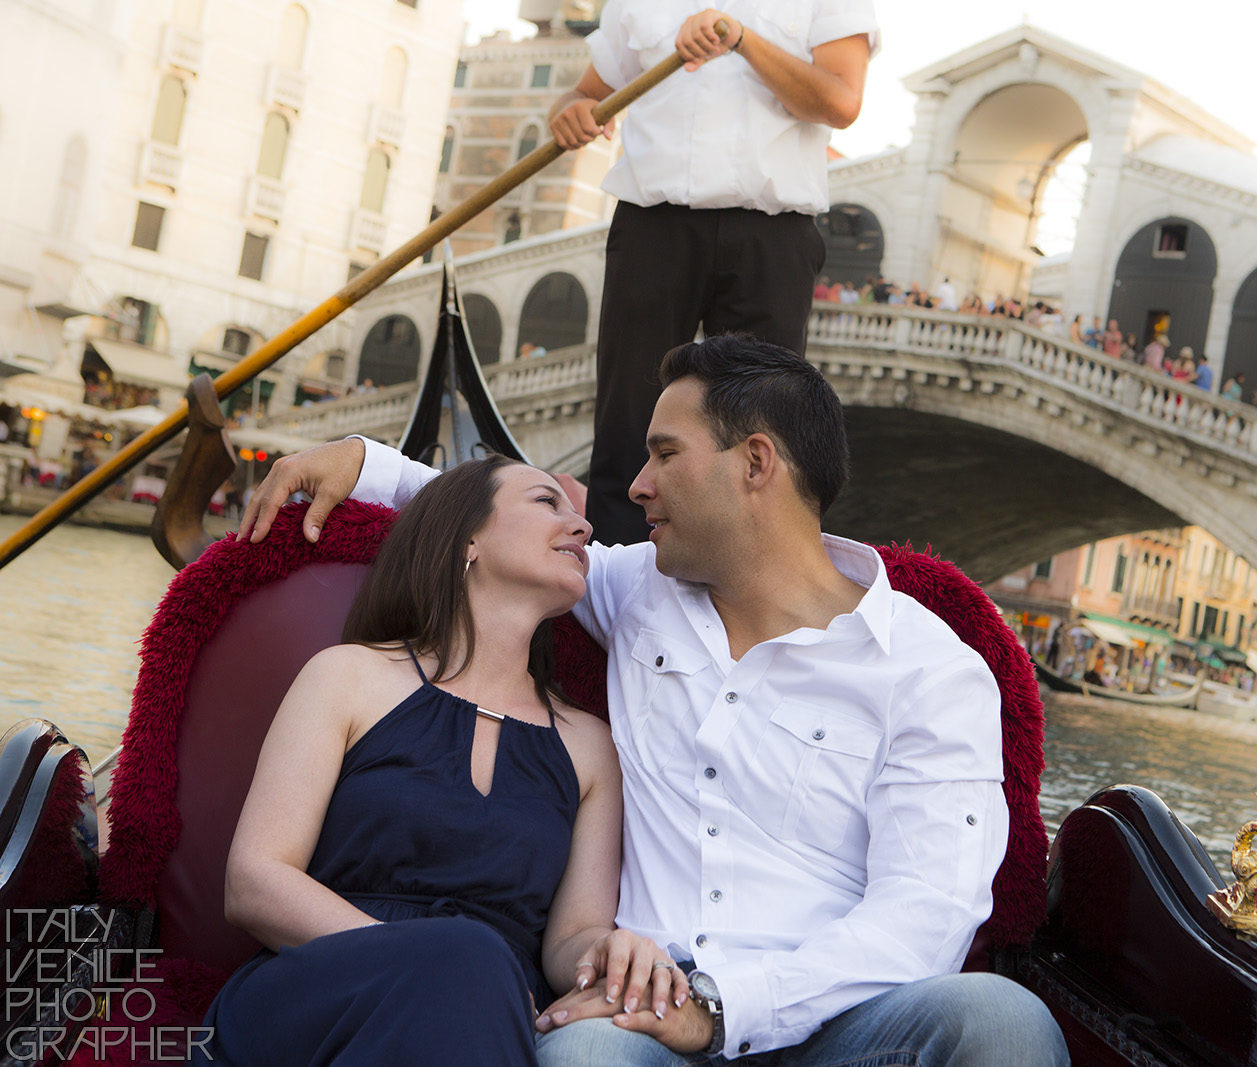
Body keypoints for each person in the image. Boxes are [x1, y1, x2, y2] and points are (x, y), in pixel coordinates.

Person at [239, 336, 1068, 1066]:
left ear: (755, 463)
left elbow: (927, 913)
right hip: (634, 1022)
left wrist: (716, 1006)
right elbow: (491, 531)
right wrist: (362, 460)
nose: (633, 487)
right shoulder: (638, 589)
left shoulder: (932, 669)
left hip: (840, 1027)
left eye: (664, 454)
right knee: (588, 1055)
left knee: (999, 1019)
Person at [201, 456, 686, 1065]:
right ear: (469, 539)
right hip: (323, 992)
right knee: (465, 958)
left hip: (489, 1020)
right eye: (546, 503)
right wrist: (429, 961)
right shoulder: (347, 677)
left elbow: (571, 936)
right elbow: (255, 881)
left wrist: (614, 953)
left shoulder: (591, 746)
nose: (583, 528)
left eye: (577, 515)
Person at [548, 3, 876, 547]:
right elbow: (584, 93)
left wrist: (742, 39)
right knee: (628, 423)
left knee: (762, 431)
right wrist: (571, 110)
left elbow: (840, 103)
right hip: (652, 228)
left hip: (772, 235)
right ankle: (614, 597)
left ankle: (750, 591)